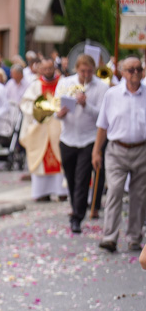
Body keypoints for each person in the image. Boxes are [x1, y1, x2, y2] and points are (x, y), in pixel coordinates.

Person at [94, 56, 146, 253]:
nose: (135, 73)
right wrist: (96, 151)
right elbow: (102, 125)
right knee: (115, 190)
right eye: (130, 70)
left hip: (142, 149)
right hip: (117, 149)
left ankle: (134, 237)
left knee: (139, 196)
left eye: (138, 69)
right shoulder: (112, 94)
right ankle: (110, 236)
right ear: (122, 73)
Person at [57, 54, 109, 234]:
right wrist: (60, 112)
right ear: (76, 70)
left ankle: (77, 217)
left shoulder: (101, 87)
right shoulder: (65, 83)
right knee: (70, 178)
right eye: (82, 71)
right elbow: (55, 107)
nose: (86, 74)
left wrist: (86, 105)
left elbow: (102, 115)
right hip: (67, 137)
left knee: (82, 178)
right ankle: (75, 206)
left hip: (89, 138)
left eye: (89, 71)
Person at [20, 59, 68, 201]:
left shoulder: (63, 83)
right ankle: (41, 193)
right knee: (40, 160)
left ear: (54, 68)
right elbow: (25, 103)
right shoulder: (35, 86)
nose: (47, 71)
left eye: (50, 68)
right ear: (40, 70)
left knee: (60, 158)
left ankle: (62, 191)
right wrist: (37, 111)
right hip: (40, 128)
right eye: (45, 69)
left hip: (58, 126)